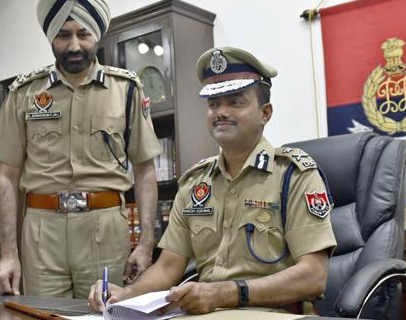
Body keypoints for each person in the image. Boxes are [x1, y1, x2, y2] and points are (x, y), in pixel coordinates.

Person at [88, 47, 337, 314]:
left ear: (265, 113)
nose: (221, 112)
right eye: (213, 103)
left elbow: (314, 276)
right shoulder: (195, 183)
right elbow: (168, 267)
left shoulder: (294, 177)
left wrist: (226, 293)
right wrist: (126, 294)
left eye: (235, 102)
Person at [0, 0, 162, 298]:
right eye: (64, 35)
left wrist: (146, 243)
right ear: (52, 38)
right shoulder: (24, 93)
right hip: (41, 233)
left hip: (105, 228)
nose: (75, 45)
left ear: (97, 35)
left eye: (83, 34)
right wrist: (8, 252)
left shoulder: (126, 90)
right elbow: (7, 176)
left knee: (106, 314)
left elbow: (145, 169)